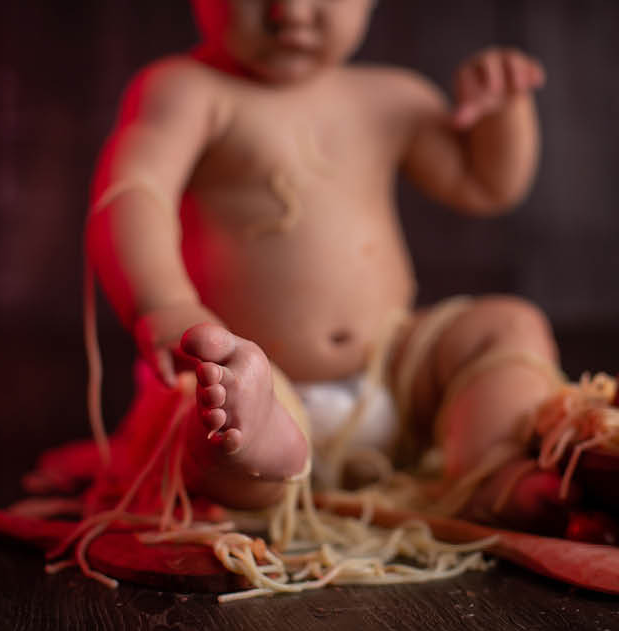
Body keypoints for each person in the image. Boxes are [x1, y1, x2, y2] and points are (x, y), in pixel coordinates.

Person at [71, 0, 566, 522]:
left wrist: (503, 111)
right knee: (207, 416)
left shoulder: (392, 97)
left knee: (508, 325)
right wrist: (163, 302)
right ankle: (262, 451)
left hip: (393, 373)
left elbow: (483, 184)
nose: (292, 11)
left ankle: (490, 474)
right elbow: (134, 193)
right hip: (254, 373)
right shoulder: (188, 91)